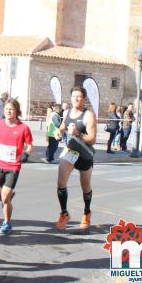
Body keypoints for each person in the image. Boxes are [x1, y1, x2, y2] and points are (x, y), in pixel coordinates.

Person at [0, 99, 33, 234]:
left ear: (17, 111)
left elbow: (30, 146)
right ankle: (6, 196)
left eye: (11, 109)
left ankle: (6, 223)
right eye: (6, 108)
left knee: (4, 197)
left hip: (13, 168)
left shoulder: (23, 128)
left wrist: (26, 154)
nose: (8, 111)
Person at [53, 86, 96, 230]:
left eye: (79, 96)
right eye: (73, 96)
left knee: (85, 186)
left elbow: (92, 139)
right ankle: (64, 213)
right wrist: (59, 132)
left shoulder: (88, 115)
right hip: (71, 152)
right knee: (60, 182)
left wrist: (78, 133)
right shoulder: (68, 112)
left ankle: (87, 213)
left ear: (84, 99)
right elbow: (63, 126)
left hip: (85, 154)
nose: (76, 99)